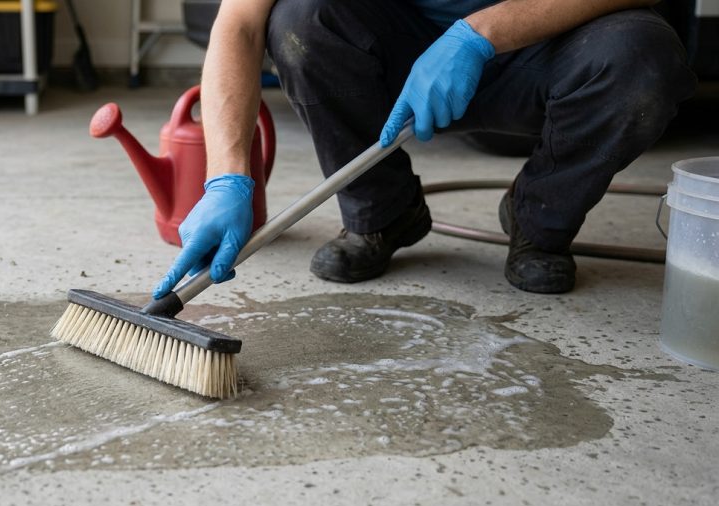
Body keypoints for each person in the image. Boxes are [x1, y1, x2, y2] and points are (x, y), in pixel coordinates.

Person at [151, 0, 696, 298]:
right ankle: (383, 213)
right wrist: (227, 178)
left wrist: (482, 32)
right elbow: (240, 24)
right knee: (301, 20)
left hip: (549, 44)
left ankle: (541, 219)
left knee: (643, 60)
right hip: (395, 55)